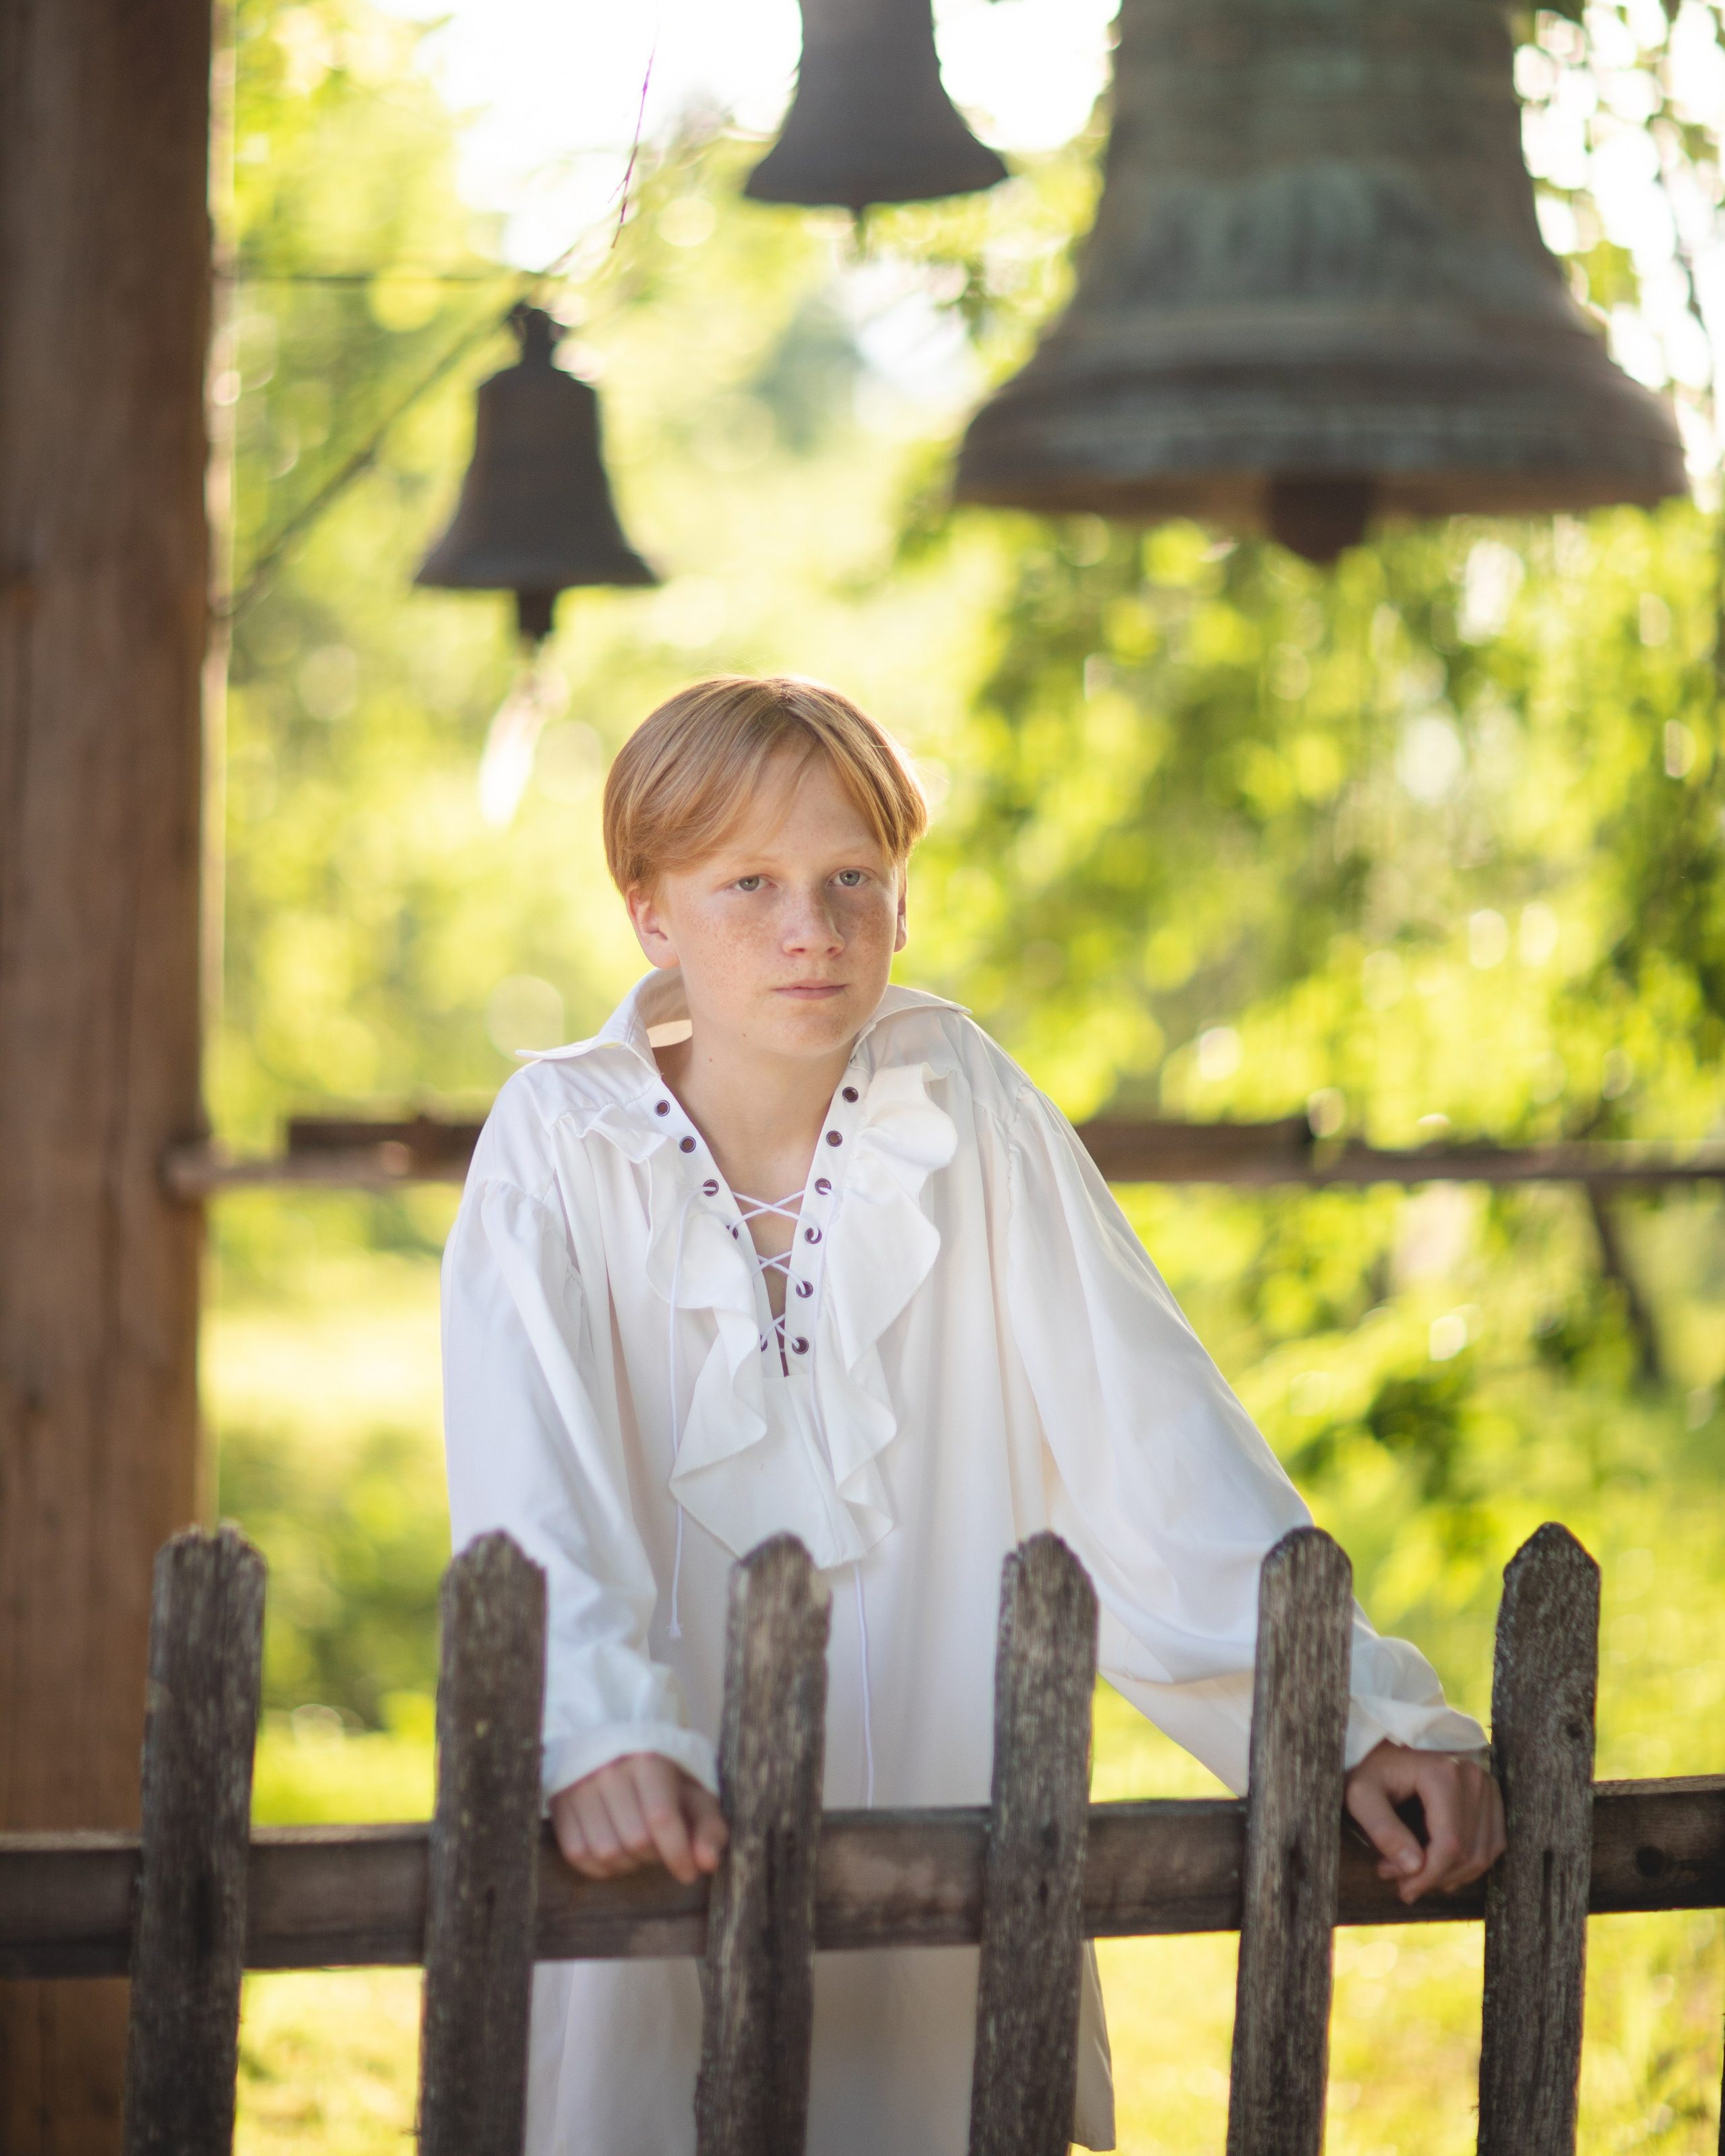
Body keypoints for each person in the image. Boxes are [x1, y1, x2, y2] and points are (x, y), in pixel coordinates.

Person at [441, 673, 1504, 2156]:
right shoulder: (554, 1143)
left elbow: (1144, 1432)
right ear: (649, 913)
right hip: (654, 1828)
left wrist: (1343, 1716)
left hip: (950, 1813)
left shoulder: (963, 1103)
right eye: (747, 883)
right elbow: (525, 1464)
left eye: (851, 880)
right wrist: (597, 1728)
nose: (810, 928)